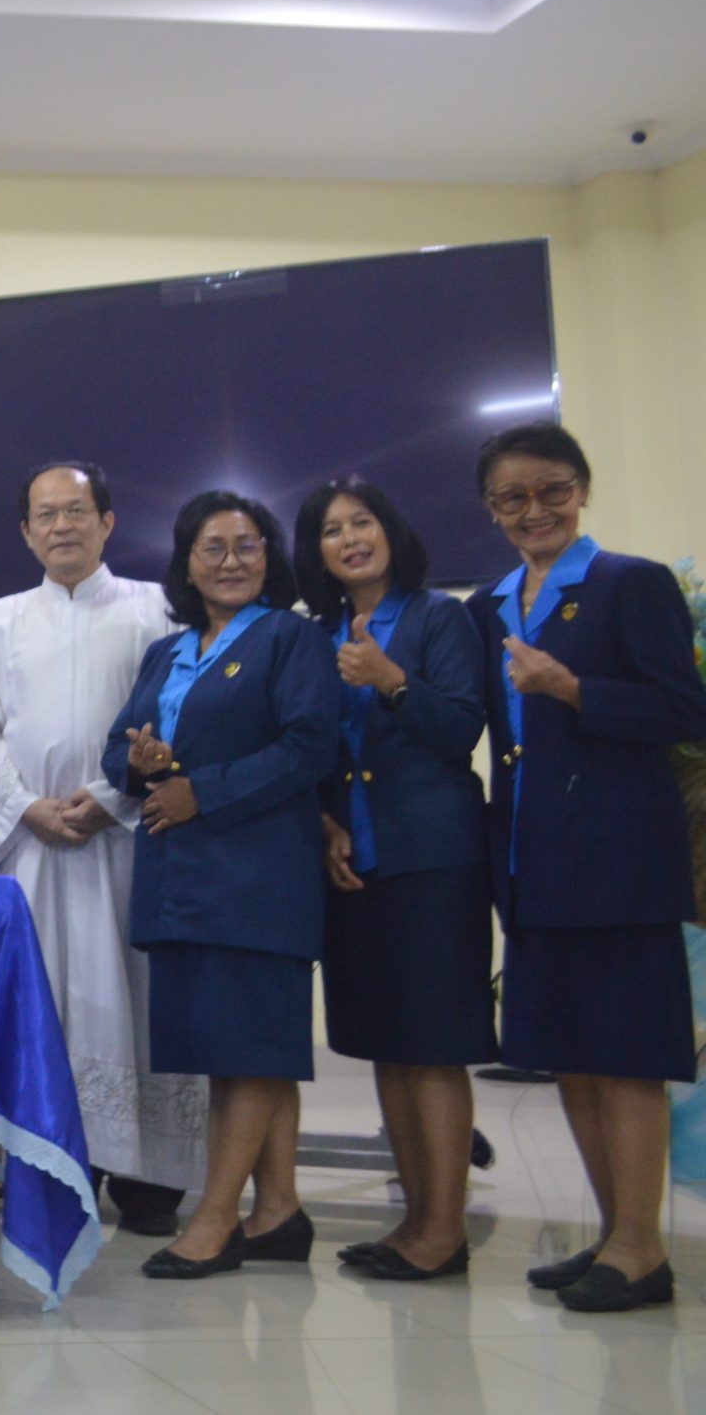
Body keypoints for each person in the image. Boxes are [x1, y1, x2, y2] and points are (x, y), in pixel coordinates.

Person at [464, 422, 706, 1312]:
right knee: (570, 1054)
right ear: (491, 510)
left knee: (625, 1055)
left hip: (619, 862)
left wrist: (571, 688)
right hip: (532, 862)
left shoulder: (628, 583)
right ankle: (615, 1235)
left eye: (552, 491)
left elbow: (684, 711)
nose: (535, 510)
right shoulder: (488, 606)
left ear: (582, 489)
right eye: (513, 498)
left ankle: (642, 1248)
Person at [0, 462, 203, 1235]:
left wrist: (110, 798)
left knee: (137, 997)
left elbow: (179, 713)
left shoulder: (157, 610)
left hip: (129, 841)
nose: (62, 525)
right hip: (35, 849)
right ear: (26, 532)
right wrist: (26, 808)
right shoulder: (0, 619)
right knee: (52, 1006)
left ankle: (153, 1181)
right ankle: (64, 1164)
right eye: (46, 515)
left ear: (107, 522)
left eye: (76, 510)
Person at [102, 491, 335, 1279]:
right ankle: (279, 1211)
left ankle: (215, 1218)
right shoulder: (165, 652)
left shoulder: (291, 638)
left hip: (257, 875)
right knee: (232, 1052)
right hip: (181, 877)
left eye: (247, 545)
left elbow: (309, 747)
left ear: (270, 557)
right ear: (187, 563)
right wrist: (139, 764)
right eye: (214, 547)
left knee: (254, 1052)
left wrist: (202, 791)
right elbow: (117, 749)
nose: (232, 561)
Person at [294, 476, 493, 1283]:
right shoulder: (316, 635)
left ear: (390, 530)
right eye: (332, 530)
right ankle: (414, 1221)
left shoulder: (440, 616)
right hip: (354, 866)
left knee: (432, 1047)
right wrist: (326, 824)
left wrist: (391, 679)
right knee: (386, 1044)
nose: (350, 539)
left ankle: (445, 1230)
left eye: (362, 522)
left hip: (432, 861)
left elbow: (462, 727)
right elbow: (312, 749)